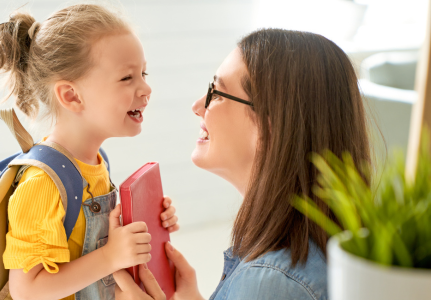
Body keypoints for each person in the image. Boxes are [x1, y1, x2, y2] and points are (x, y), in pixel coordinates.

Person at [113, 28, 371, 300]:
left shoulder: (269, 283)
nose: (198, 106)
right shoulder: (302, 254)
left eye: (217, 93)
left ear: (270, 126)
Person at [0, 4, 180, 300]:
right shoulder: (42, 183)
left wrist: (143, 226)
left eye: (143, 73)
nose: (146, 88)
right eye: (127, 78)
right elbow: (28, 290)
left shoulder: (96, 162)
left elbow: (82, 245)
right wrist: (111, 256)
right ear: (71, 96)